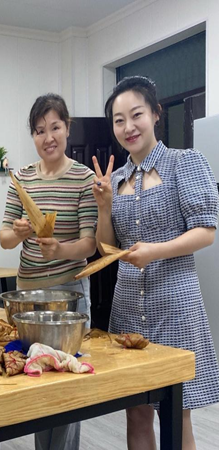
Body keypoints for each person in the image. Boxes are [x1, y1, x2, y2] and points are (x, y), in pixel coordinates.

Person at [93, 75, 219, 450]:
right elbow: (106, 250)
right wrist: (104, 208)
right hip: (127, 310)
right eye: (119, 120)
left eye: (137, 115)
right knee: (136, 411)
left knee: (176, 414)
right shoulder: (115, 180)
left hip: (175, 306)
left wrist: (154, 250)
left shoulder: (184, 163)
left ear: (155, 114)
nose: (128, 127)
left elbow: (206, 231)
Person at [0, 93, 97, 450]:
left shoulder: (84, 178)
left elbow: (90, 244)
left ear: (67, 128)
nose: (48, 137)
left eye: (55, 127)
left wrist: (60, 250)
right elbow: (4, 238)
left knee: (68, 386)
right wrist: (19, 232)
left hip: (70, 296)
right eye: (39, 130)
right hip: (28, 298)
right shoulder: (22, 178)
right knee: (37, 381)